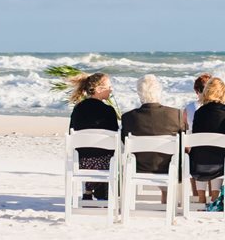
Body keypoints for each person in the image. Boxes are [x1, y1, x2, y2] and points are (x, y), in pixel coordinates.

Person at [118, 74, 187, 191]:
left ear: (139, 93)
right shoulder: (176, 115)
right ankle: (168, 196)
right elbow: (183, 142)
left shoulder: (128, 117)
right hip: (168, 167)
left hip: (138, 168)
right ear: (159, 91)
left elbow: (125, 141)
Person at [67, 71, 118, 201]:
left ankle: (89, 191)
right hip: (104, 163)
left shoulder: (78, 108)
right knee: (115, 157)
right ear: (99, 89)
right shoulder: (108, 110)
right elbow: (114, 137)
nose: (111, 90)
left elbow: (71, 131)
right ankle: (100, 190)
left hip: (81, 161)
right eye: (109, 87)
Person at [188, 76, 225, 206]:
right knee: (220, 155)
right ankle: (215, 196)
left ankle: (201, 197)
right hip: (221, 165)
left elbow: (195, 139)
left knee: (202, 153)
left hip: (199, 164)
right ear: (223, 93)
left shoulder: (199, 112)